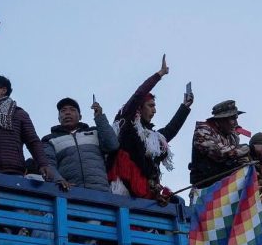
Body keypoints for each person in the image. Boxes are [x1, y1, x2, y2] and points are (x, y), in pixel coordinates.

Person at [108, 55, 193, 200]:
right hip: (124, 187)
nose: (154, 110)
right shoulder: (126, 123)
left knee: (177, 201)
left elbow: (170, 130)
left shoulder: (155, 137)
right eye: (151, 105)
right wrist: (159, 74)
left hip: (147, 190)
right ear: (139, 107)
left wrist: (185, 107)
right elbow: (138, 95)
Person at [42, 97, 118, 192]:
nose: (67, 113)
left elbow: (112, 145)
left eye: (72, 110)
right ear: (58, 118)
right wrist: (58, 180)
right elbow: (47, 164)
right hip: (69, 194)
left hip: (101, 192)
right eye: (63, 111)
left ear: (80, 116)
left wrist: (100, 118)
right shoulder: (50, 140)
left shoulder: (95, 132)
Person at [189, 100, 250, 189]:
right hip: (205, 189)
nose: (236, 123)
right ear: (221, 119)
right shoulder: (203, 130)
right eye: (232, 118)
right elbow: (219, 153)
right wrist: (243, 149)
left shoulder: (230, 135)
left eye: (236, 118)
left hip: (226, 186)